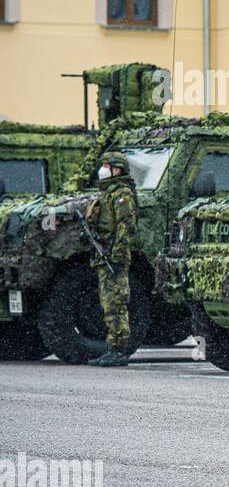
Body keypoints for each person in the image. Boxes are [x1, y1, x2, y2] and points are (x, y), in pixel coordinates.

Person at [87, 151, 138, 368]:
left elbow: (126, 228)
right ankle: (113, 347)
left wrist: (117, 256)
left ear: (117, 169)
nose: (103, 169)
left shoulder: (122, 194)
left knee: (116, 302)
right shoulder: (108, 193)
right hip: (104, 256)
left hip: (113, 258)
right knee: (108, 304)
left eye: (107, 165)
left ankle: (119, 349)